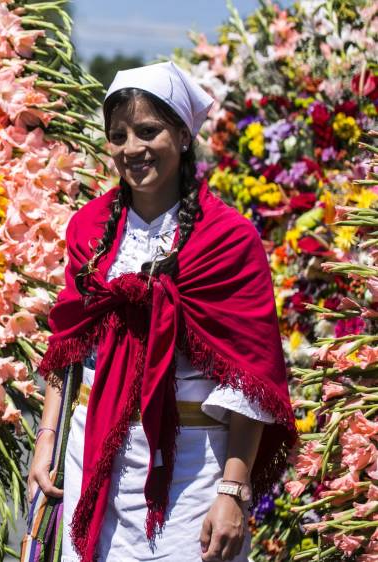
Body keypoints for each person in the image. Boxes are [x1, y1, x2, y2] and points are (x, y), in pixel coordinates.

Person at [24, 61, 297, 562]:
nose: (132, 148)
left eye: (148, 131)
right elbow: (69, 344)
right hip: (93, 455)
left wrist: (233, 492)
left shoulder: (228, 239)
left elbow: (251, 376)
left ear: (182, 135)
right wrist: (47, 441)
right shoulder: (88, 229)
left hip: (192, 468)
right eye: (119, 135)